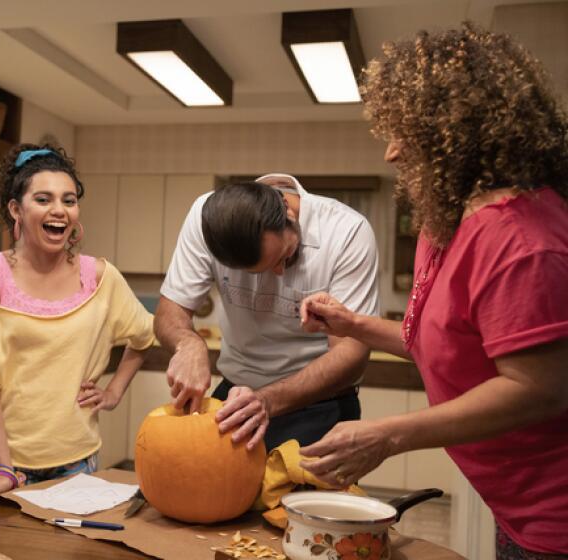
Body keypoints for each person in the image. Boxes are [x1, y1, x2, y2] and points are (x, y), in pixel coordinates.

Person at [298, 24, 568, 558]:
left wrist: (387, 434)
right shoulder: (444, 226)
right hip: (513, 503)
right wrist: (353, 325)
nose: (393, 153)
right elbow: (450, 340)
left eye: (406, 133)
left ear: (461, 132)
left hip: (554, 517)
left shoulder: (521, 240)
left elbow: (539, 388)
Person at [0, 144, 154, 500]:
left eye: (69, 200)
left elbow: (145, 335)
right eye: (43, 199)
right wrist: (3, 467)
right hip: (4, 463)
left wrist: (114, 391)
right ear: (16, 208)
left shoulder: (100, 277)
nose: (59, 210)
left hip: (78, 459)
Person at [156, 175, 379, 451]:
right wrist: (187, 343)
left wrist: (267, 401)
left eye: (285, 256)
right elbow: (169, 312)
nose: (279, 273)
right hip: (236, 397)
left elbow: (351, 353)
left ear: (288, 210)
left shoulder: (346, 232)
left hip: (321, 405)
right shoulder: (206, 219)